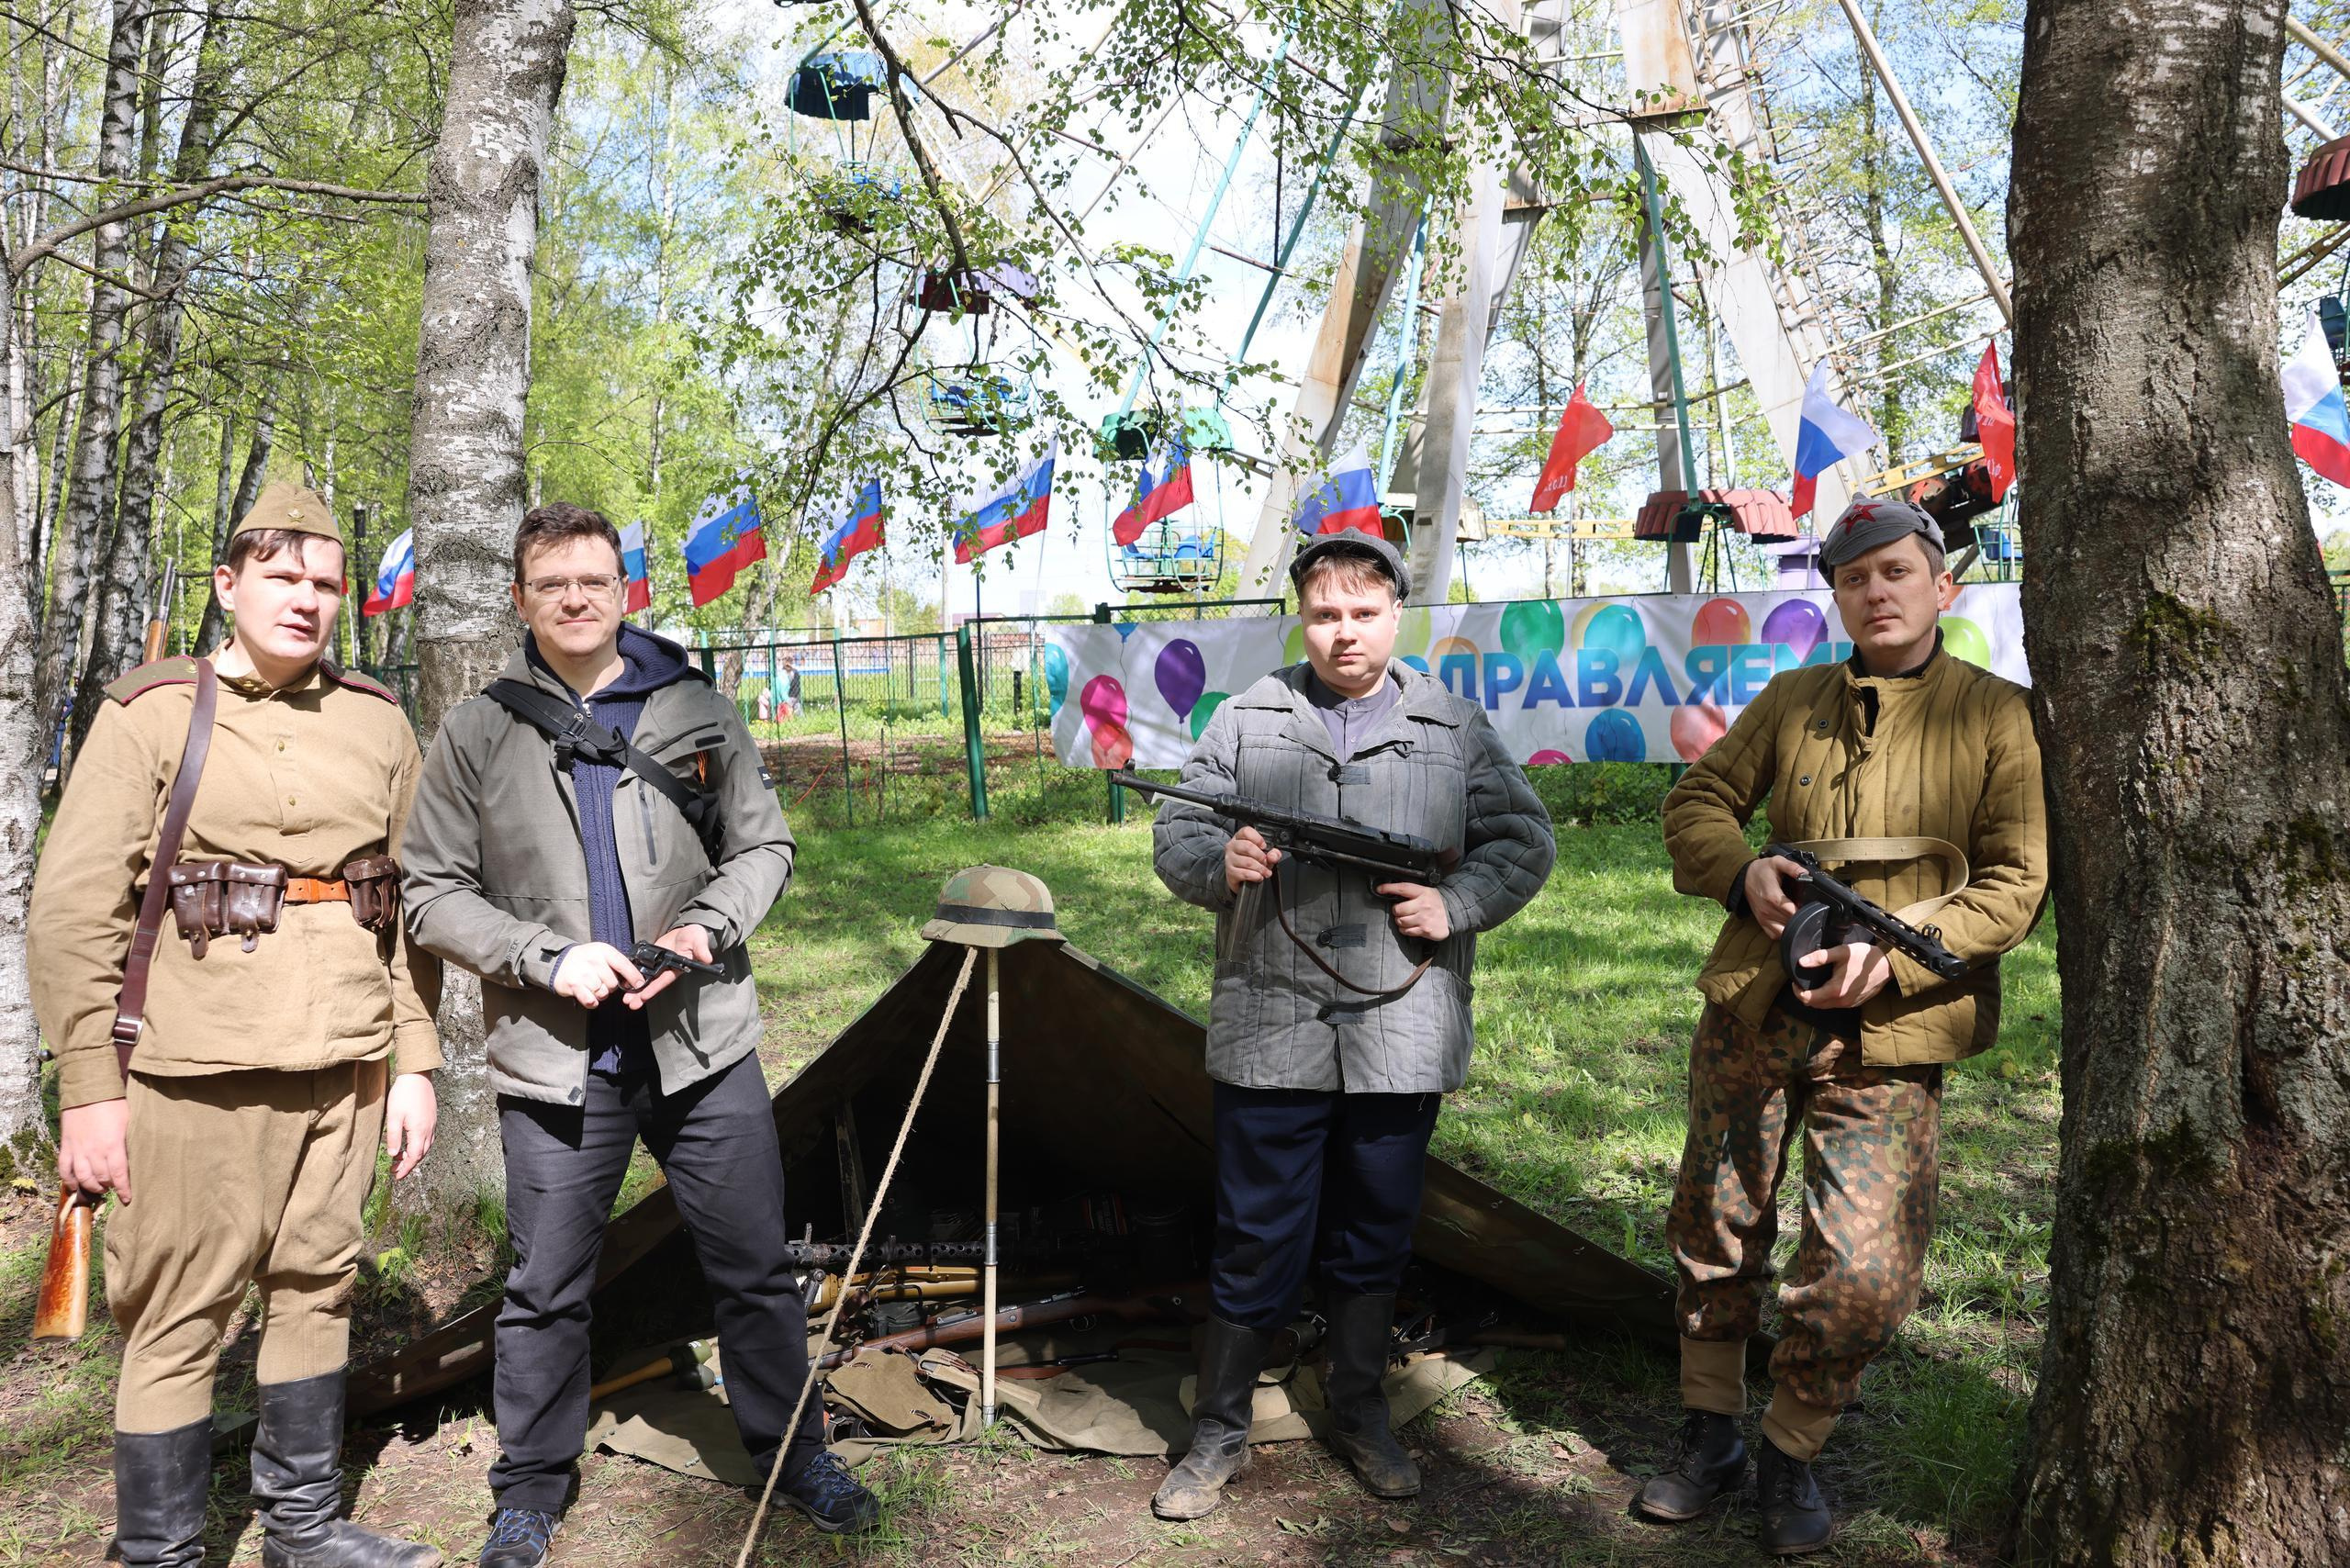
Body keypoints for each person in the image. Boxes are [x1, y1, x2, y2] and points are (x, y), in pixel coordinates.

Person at [399, 502, 877, 1568]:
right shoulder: (480, 730)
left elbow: (766, 846)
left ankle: (795, 1452)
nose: (575, 598)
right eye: (552, 583)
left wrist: (710, 923)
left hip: (700, 1042)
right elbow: (428, 894)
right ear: (521, 598)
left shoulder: (696, 709)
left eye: (594, 580)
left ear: (626, 590)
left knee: (752, 1264)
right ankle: (529, 1489)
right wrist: (543, 954)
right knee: (546, 1285)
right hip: (557, 1055)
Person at [30, 484, 442, 1568]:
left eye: (324, 584)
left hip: (347, 1056)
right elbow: (75, 912)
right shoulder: (154, 710)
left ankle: (302, 1528)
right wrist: (90, 1090)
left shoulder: (377, 719)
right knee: (180, 1306)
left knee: (321, 1280)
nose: (306, 600)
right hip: (193, 1065)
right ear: (229, 583)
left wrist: (416, 1061)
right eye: (282, 576)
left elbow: (403, 905)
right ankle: (158, 1551)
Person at [1639, 498, 2046, 1554]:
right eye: (1855, 577)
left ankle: (1790, 1449)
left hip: (1892, 1031)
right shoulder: (1792, 699)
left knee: (1865, 1266)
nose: (1876, 591)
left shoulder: (1999, 715)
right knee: (1714, 1222)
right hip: (1755, 1004)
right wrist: (1746, 872)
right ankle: (1708, 1435)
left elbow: (2015, 882)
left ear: (1940, 587)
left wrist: (1898, 946)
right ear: (1836, 596)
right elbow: (1696, 802)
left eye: (1897, 572)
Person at [1146, 532, 1556, 1520]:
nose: (1343, 632)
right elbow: (1179, 830)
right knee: (1255, 1234)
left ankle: (1360, 1407)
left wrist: (1452, 906)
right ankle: (1220, 1429)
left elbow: (1523, 839)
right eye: (1325, 613)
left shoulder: (1452, 725)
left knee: (1373, 1230)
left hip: (1398, 1022)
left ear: (1394, 617)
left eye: (1363, 613)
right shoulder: (1248, 717)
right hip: (1270, 1016)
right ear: (1301, 617)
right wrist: (1222, 859)